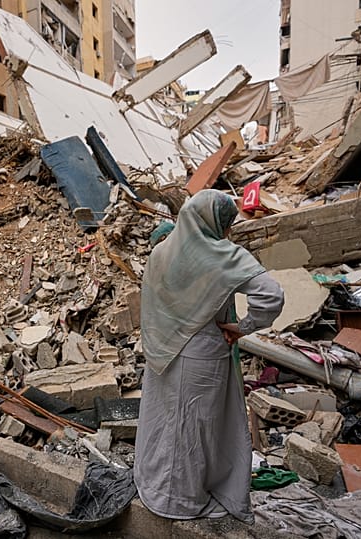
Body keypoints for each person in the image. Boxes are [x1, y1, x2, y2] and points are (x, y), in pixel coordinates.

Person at [134, 189, 284, 523]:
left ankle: (157, 489)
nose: (228, 231)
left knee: (167, 425)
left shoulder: (162, 251)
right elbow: (271, 295)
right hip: (203, 356)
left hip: (162, 353)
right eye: (227, 224)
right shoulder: (222, 255)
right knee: (194, 430)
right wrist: (244, 326)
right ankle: (180, 502)